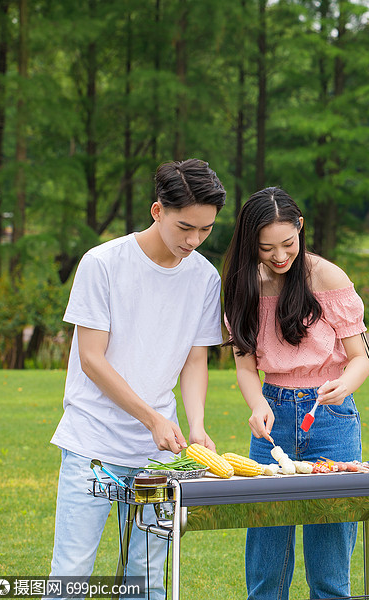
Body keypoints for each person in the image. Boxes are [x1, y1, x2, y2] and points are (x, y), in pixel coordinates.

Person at [47, 159, 227, 600]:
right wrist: (151, 418)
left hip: (158, 455)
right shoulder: (103, 263)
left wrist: (197, 425)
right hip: (93, 443)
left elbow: (194, 361)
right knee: (71, 573)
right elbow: (91, 359)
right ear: (157, 211)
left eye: (205, 231)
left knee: (146, 579)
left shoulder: (205, 277)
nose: (193, 240)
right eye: (185, 227)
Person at [222, 186, 369, 600]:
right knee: (267, 560)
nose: (279, 256)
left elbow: (361, 358)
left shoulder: (327, 276)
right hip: (274, 415)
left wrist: (345, 384)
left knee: (329, 563)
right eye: (266, 247)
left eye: (288, 243)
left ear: (300, 228)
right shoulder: (244, 284)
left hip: (331, 417)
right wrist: (257, 404)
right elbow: (244, 363)